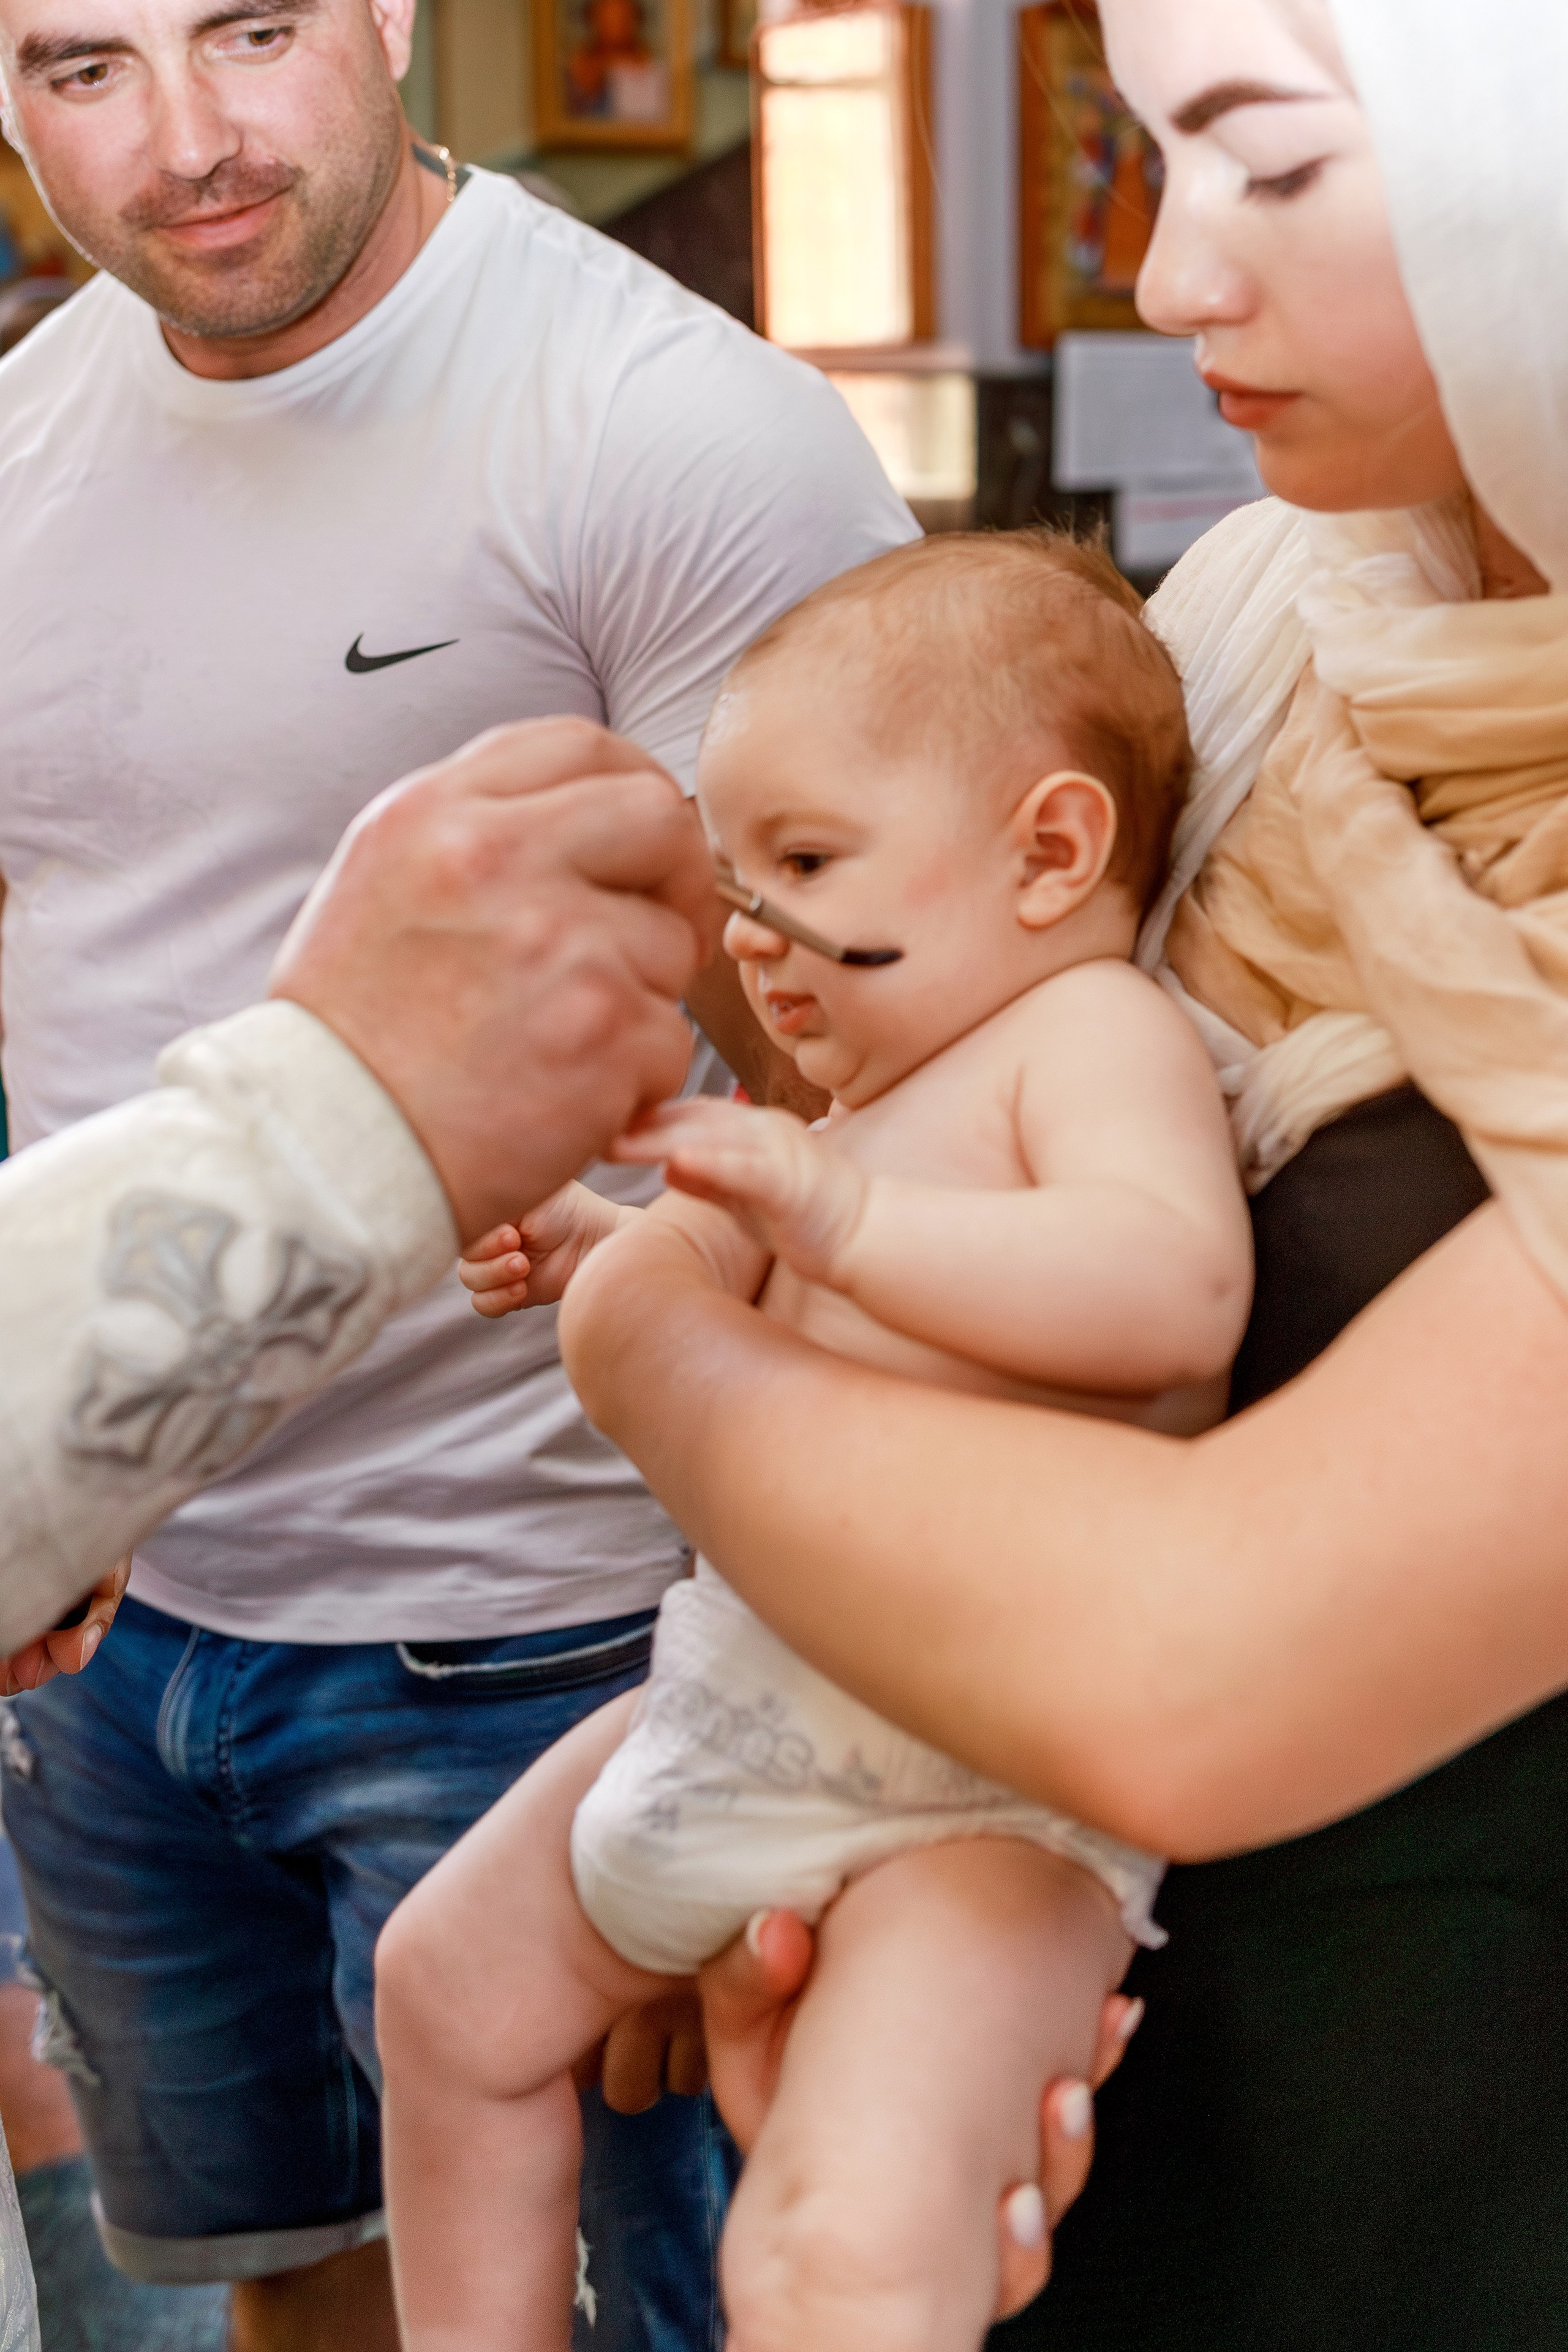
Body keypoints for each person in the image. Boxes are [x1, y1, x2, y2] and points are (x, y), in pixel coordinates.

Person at [551, 2, 1568, 2345]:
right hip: (1116, 2067)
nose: (1166, 275)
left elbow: (1193, 1662)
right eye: (1148, 158)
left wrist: (648, 1335)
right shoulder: (1258, 632)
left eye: (1272, 167)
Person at [0, 0, 913, 2326]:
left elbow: (894, 1053)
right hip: (104, 1618)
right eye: (75, 65)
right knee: (288, 2295)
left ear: (397, 16)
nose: (184, 144)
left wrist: (793, 1644)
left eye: (254, 31)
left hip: (543, 1622)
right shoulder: (16, 440)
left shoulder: (667, 425)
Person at [375, 531, 1251, 2352]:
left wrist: (834, 1218)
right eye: (733, 880)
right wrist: (604, 1249)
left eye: (805, 863)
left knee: (846, 2247)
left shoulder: (1083, 1039)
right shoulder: (849, 1098)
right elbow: (752, 1299)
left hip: (985, 1789)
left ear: (1054, 853)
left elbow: (1167, 1290)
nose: (751, 936)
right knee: (444, 1993)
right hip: (738, 1698)